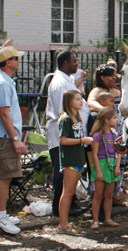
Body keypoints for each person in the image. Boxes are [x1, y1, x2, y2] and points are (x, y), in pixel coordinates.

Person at [0, 47, 27, 235]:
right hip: (3, 136)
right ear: (8, 61)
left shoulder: (2, 80)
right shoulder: (2, 83)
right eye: (16, 58)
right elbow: (4, 114)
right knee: (5, 176)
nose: (19, 60)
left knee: (0, 175)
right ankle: (1, 216)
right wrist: (16, 139)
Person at [46, 51, 90, 217]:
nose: (77, 63)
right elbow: (60, 110)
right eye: (74, 61)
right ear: (65, 63)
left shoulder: (67, 80)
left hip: (73, 134)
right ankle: (59, 207)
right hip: (62, 135)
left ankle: (70, 204)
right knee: (60, 171)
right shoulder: (59, 83)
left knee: (70, 171)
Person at [57, 89, 93, 235]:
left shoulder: (77, 118)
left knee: (71, 193)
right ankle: (63, 224)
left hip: (78, 159)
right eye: (77, 99)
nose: (81, 101)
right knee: (68, 192)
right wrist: (81, 141)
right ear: (69, 101)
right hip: (70, 160)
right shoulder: (65, 119)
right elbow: (63, 140)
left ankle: (65, 223)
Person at [88, 107, 121, 230]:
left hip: (112, 165)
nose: (116, 120)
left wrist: (117, 166)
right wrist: (99, 171)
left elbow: (118, 152)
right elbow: (94, 154)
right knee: (98, 194)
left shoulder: (115, 134)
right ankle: (95, 220)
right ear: (106, 120)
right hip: (101, 165)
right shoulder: (97, 136)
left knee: (108, 194)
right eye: (114, 118)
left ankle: (107, 218)